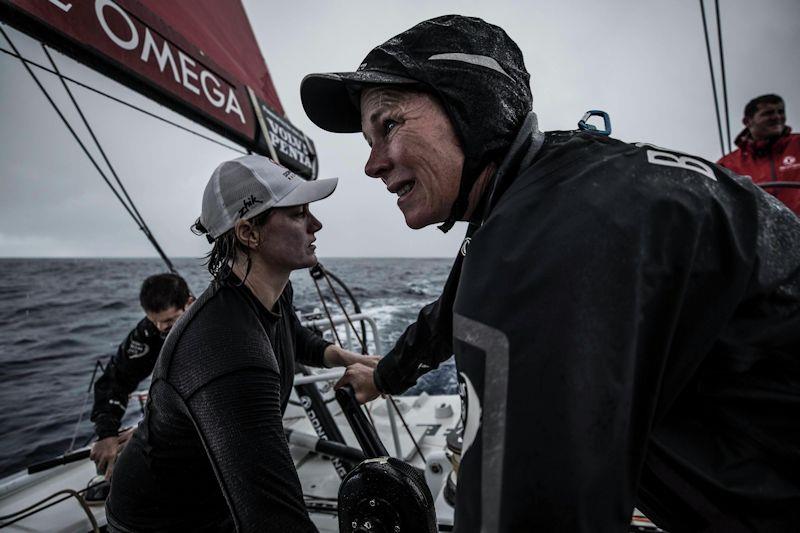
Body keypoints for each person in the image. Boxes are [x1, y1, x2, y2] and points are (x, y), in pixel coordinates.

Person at [300, 15, 800, 532]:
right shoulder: (551, 186)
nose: (372, 165)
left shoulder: (540, 248)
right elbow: (452, 310)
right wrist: (384, 375)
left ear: (470, 106)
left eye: (389, 125)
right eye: (367, 141)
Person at [105, 155, 377, 532]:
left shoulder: (270, 294)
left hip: (212, 490)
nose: (317, 224)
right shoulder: (229, 354)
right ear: (249, 233)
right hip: (162, 519)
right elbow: (275, 522)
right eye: (299, 214)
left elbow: (293, 335)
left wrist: (346, 356)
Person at [89, 272, 194, 479]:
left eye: (170, 320)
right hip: (165, 417)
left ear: (189, 303)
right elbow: (116, 378)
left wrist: (151, 427)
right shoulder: (149, 333)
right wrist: (107, 432)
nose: (162, 328)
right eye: (154, 321)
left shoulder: (212, 328)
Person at [718, 94, 800, 215]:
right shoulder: (728, 164)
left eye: (780, 112)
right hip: (757, 232)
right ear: (748, 121)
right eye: (768, 113)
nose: (777, 117)